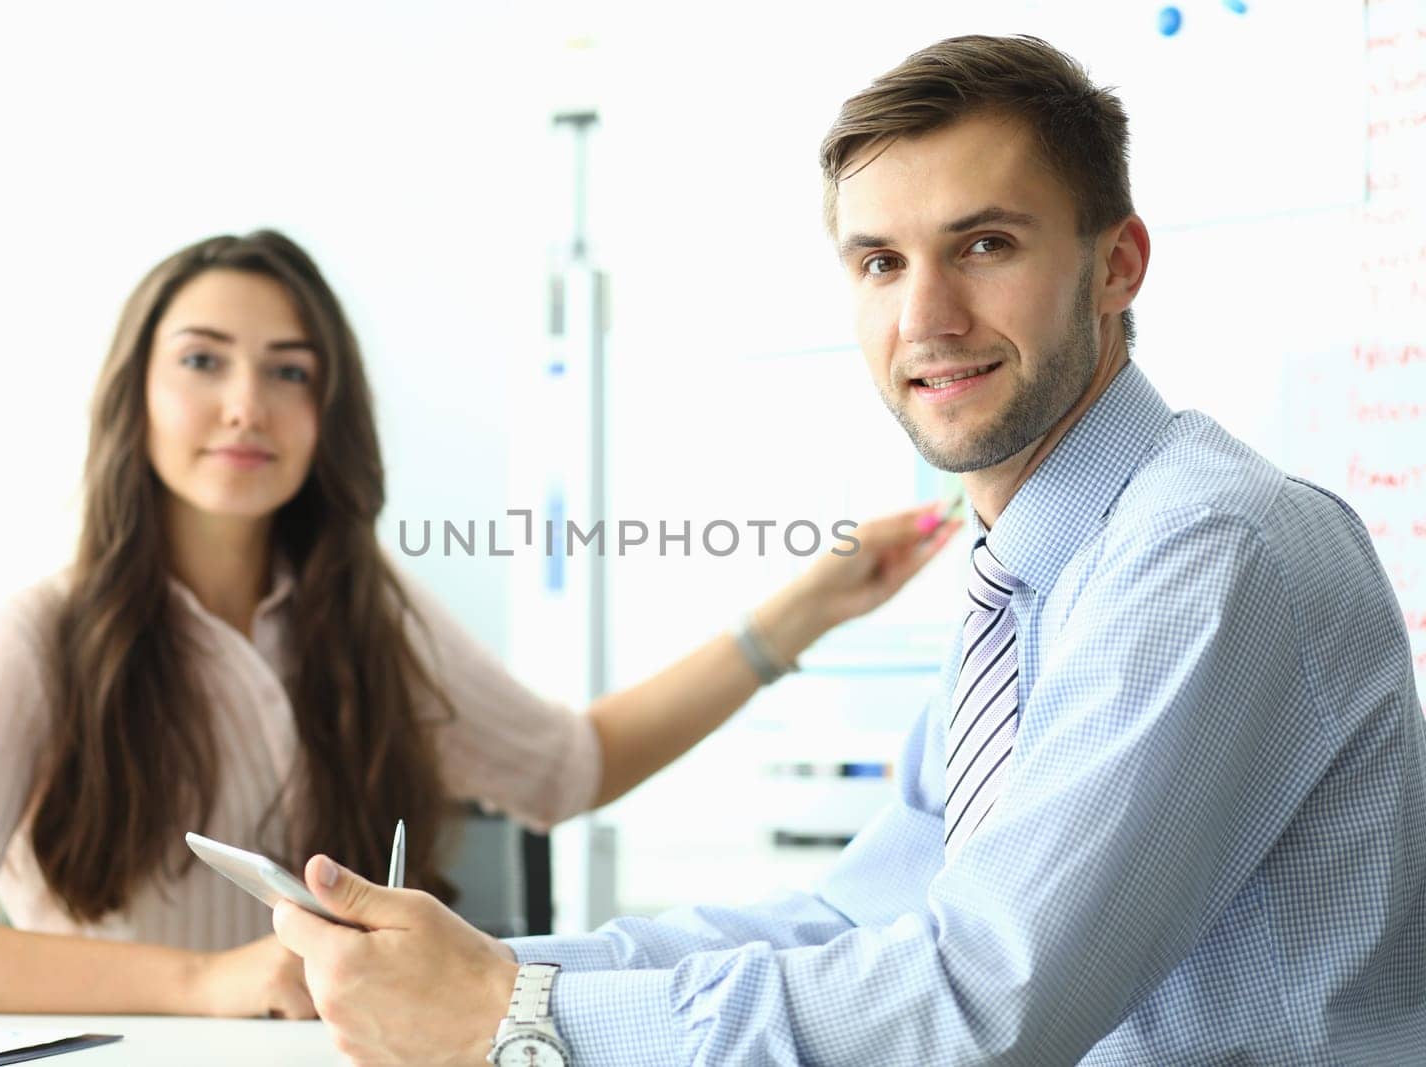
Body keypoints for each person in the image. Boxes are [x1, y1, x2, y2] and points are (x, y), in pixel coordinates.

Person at [269, 35, 1426, 1064]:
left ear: (1116, 264)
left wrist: (517, 1012)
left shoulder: (1201, 551)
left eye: (982, 245)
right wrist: (480, 966)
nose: (924, 316)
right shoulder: (1027, 576)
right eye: (879, 262)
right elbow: (854, 920)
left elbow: (979, 1004)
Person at [0, 231, 960, 1018]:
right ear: (136, 394)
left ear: (327, 412)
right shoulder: (40, 634)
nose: (244, 404)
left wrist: (807, 606)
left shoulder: (368, 609)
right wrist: (203, 982)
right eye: (203, 361)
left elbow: (569, 766)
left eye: (289, 371)